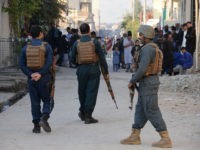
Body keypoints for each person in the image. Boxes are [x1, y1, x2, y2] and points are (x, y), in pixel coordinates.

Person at [120, 25, 172, 148]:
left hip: (149, 82)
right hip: (146, 82)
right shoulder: (149, 47)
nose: (139, 37)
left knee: (151, 110)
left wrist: (132, 80)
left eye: (141, 35)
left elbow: (143, 69)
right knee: (141, 109)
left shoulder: (148, 49)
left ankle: (165, 138)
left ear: (145, 36)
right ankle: (135, 136)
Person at [70, 23, 109, 124]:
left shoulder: (77, 43)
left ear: (80, 31)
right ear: (89, 31)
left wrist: (78, 65)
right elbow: (102, 57)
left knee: (82, 92)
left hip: (81, 69)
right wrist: (106, 71)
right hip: (93, 69)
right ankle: (88, 115)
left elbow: (71, 58)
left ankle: (82, 111)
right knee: (91, 92)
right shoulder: (94, 42)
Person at [19, 25, 53, 133]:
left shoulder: (25, 48)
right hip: (44, 78)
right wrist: (41, 74)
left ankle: (36, 127)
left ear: (30, 35)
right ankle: (44, 118)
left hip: (32, 79)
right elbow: (49, 63)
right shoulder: (47, 47)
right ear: (40, 34)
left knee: (35, 102)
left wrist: (31, 74)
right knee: (48, 100)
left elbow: (22, 65)